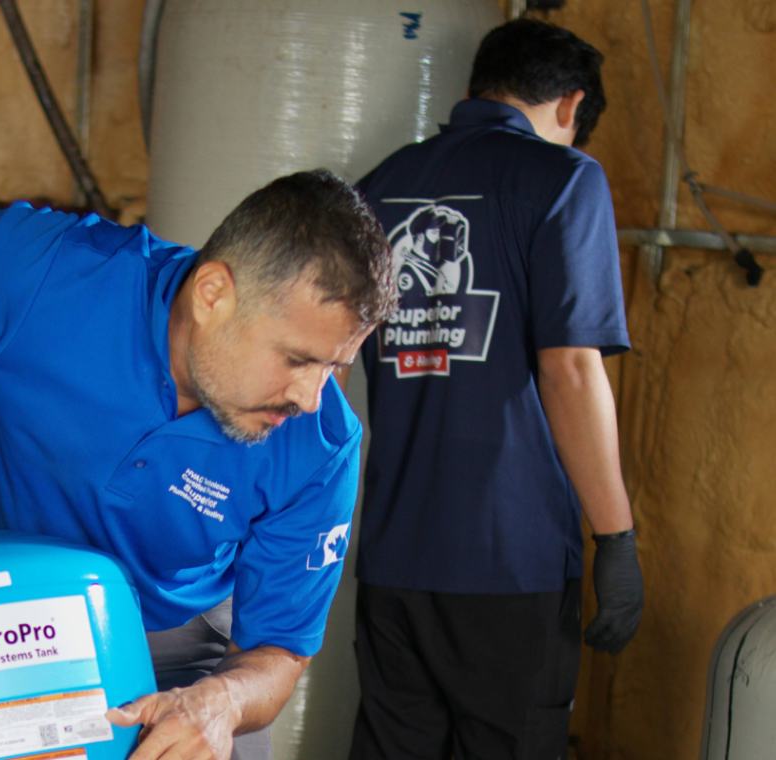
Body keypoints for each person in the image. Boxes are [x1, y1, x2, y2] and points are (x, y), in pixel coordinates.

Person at [0, 169, 397, 760]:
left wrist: (222, 701)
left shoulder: (322, 445)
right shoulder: (50, 274)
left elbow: (278, 652)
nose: (311, 396)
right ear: (213, 295)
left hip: (173, 651)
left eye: (334, 366)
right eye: (298, 358)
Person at [348, 19, 644, 759]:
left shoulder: (380, 186)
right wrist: (616, 539)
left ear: (475, 88)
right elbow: (570, 368)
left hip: (395, 552)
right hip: (511, 560)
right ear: (571, 107)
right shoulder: (565, 178)